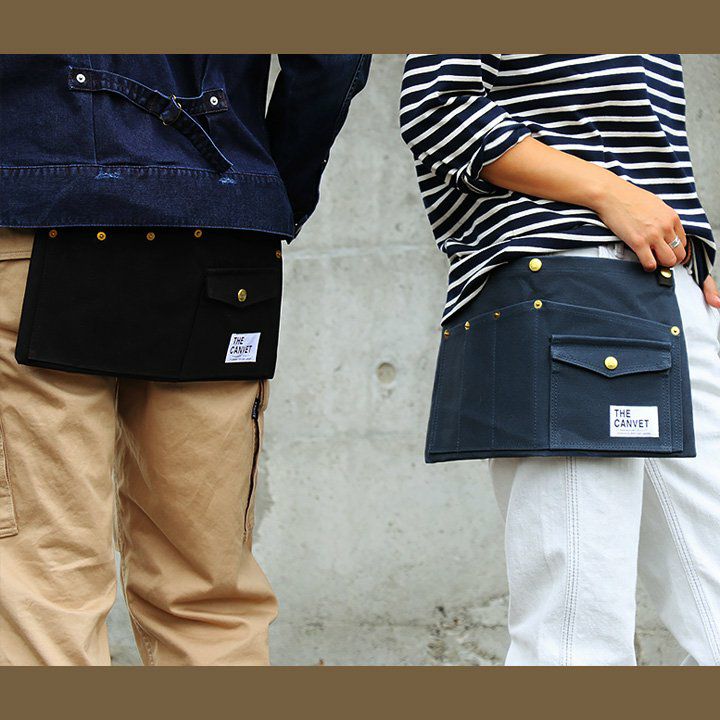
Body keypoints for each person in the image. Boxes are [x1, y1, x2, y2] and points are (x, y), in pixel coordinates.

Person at [0, 54, 370, 666]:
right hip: (220, 239)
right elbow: (332, 56)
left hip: (35, 213)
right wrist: (259, 194)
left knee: (45, 585)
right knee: (207, 593)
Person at [400, 54, 720, 665]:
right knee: (576, 623)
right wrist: (608, 191)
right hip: (570, 280)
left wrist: (686, 246)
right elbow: (437, 106)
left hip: (665, 287)